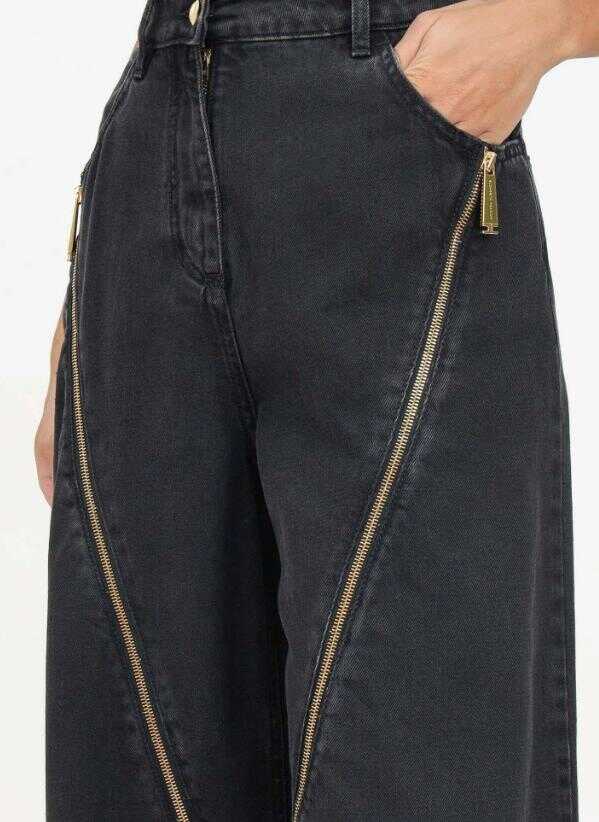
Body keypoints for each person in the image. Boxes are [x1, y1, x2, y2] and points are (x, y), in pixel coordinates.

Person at [35, 1, 598, 819]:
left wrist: (550, 20)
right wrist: (83, 301)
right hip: (154, 125)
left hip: (396, 132)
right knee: (136, 775)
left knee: (418, 768)